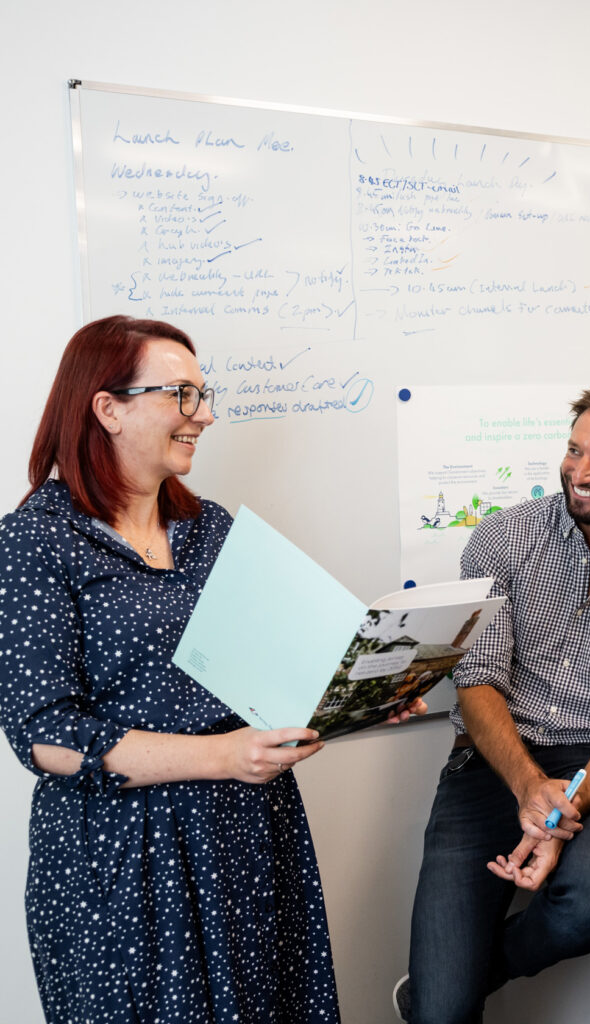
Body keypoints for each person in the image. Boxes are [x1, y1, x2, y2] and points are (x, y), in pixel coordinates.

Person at [0, 315, 345, 1023]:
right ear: (108, 408)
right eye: (182, 395)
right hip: (120, 861)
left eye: (203, 393)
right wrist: (220, 756)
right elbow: (44, 737)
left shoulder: (210, 528)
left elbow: (273, 666)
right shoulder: (35, 541)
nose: (206, 415)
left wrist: (354, 691)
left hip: (246, 837)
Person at [398, 382, 590, 1023]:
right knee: (439, 1017)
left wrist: (563, 803)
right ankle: (443, 991)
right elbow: (475, 678)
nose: (580, 473)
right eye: (574, 451)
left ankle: (483, 966)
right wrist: (530, 786)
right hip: (490, 756)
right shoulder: (501, 538)